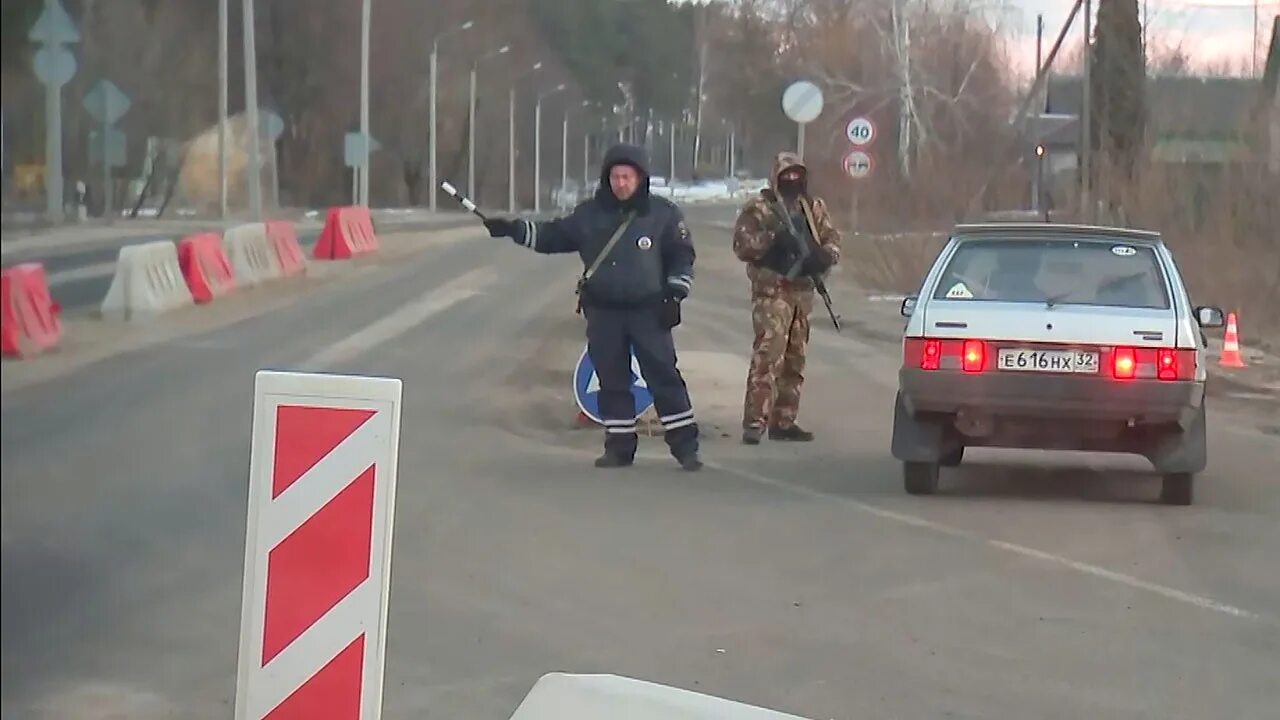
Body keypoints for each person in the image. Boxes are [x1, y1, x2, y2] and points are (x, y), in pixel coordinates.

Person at [482, 143, 703, 471]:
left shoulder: (662, 214)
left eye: (627, 177)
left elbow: (682, 255)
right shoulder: (589, 214)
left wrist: (675, 295)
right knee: (611, 379)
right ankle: (619, 447)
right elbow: (552, 236)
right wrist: (513, 230)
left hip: (649, 311)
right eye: (615, 176)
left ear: (640, 178)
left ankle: (686, 447)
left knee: (664, 376)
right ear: (607, 178)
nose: (621, 183)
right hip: (604, 312)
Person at [731, 152, 843, 445]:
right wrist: (772, 242)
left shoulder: (812, 206)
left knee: (795, 359)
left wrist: (823, 257)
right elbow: (742, 245)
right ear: (776, 177)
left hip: (802, 292)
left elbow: (831, 238)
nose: (792, 180)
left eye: (797, 174)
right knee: (768, 355)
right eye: (787, 175)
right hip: (773, 290)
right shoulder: (760, 208)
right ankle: (755, 421)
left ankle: (784, 420)